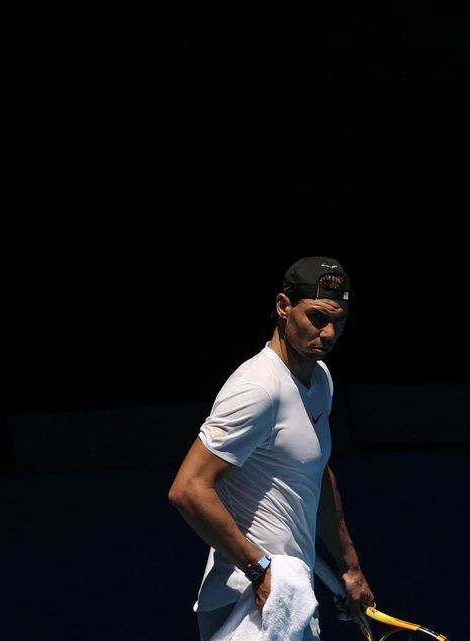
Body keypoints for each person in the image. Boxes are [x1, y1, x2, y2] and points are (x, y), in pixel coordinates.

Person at [168, 256, 375, 641]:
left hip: (287, 590)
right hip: (249, 595)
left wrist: (350, 566)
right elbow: (188, 489)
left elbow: (316, 468)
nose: (329, 333)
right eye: (317, 317)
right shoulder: (258, 389)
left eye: (340, 320)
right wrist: (258, 569)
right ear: (283, 307)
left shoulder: (319, 378)